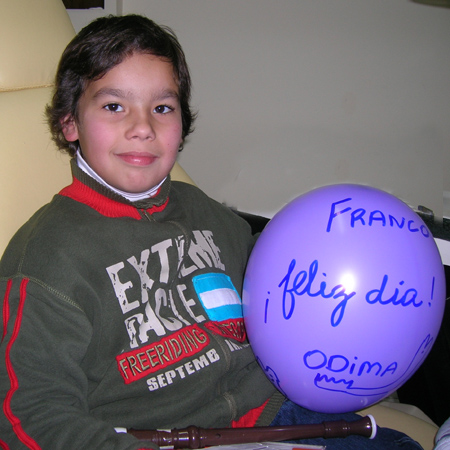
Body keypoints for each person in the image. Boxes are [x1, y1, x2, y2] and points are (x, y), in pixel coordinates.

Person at [0, 14, 423, 450]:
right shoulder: (47, 259)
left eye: (162, 108)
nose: (143, 127)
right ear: (69, 122)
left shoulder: (203, 211)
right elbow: (28, 417)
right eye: (113, 106)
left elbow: (272, 283)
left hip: (273, 410)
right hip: (162, 437)